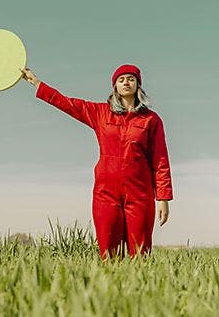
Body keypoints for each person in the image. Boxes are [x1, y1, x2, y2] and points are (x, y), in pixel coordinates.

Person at [21, 63, 172, 258]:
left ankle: (139, 287)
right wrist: (36, 83)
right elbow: (68, 104)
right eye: (121, 79)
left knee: (140, 252)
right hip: (106, 193)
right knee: (108, 252)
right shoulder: (100, 112)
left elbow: (160, 160)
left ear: (138, 85)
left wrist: (163, 197)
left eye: (131, 79)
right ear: (115, 86)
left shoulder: (151, 120)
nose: (126, 82)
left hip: (140, 194)